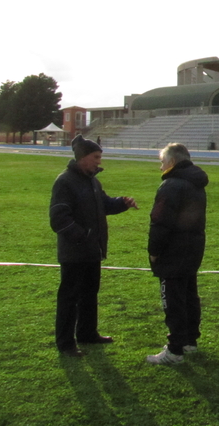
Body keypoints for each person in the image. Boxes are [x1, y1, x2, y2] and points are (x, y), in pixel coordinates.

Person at [50, 135, 138, 357]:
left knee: (90, 294)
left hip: (92, 251)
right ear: (82, 158)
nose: (99, 161)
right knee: (69, 298)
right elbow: (59, 218)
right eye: (96, 157)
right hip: (74, 253)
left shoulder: (93, 181)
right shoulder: (64, 182)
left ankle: (87, 333)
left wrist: (122, 203)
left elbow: (104, 204)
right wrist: (83, 236)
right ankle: (65, 343)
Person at [146, 143, 209, 365]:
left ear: (172, 163)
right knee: (189, 295)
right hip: (193, 248)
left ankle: (175, 350)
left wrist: (154, 251)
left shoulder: (171, 186)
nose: (160, 167)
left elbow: (160, 222)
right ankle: (189, 340)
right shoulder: (196, 184)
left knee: (173, 299)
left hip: (174, 251)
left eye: (162, 162)